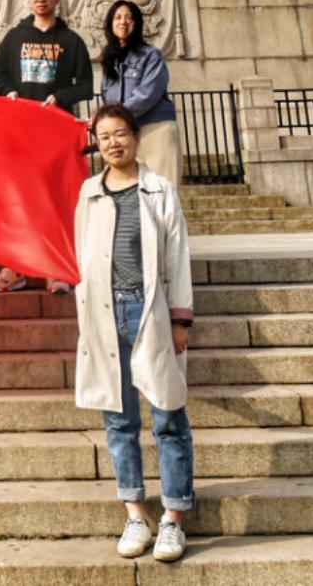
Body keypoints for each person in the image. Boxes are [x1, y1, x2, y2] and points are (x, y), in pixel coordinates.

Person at [74, 102, 194, 564]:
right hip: (106, 316)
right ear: (97, 144)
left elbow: (177, 257)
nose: (113, 143)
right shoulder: (88, 192)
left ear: (136, 137)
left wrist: (180, 320)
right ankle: (135, 514)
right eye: (104, 137)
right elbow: (81, 256)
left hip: (151, 312)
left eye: (120, 134)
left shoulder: (159, 190)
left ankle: (173, 517)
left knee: (168, 416)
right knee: (118, 419)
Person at [0, 0, 94, 293]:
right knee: (20, 198)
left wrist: (59, 97)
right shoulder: (14, 38)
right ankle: (15, 267)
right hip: (22, 131)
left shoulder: (71, 41)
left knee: (53, 198)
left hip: (56, 133)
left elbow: (85, 86)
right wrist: (8, 92)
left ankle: (54, 268)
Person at [99, 0, 184, 189]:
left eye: (129, 18)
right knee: (132, 195)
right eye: (117, 17)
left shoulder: (151, 55)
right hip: (126, 134)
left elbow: (148, 94)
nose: (123, 22)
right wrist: (101, 120)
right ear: (110, 24)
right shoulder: (109, 61)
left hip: (156, 130)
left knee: (163, 192)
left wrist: (114, 116)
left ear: (136, 23)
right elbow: (107, 99)